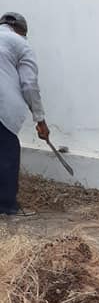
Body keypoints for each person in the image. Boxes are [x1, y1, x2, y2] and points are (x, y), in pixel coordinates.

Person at [0, 12, 49, 215]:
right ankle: (6, 207)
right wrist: (40, 120)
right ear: (21, 30)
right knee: (7, 154)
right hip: (2, 109)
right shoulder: (20, 44)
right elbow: (29, 85)